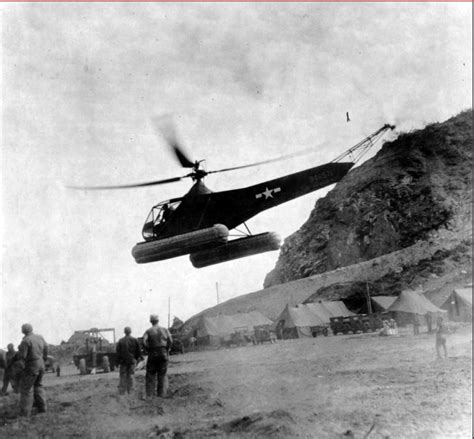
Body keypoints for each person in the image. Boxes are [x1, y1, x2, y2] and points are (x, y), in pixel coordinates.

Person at [18, 323, 48, 417]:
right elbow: (46, 347)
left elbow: (22, 356)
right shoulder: (40, 337)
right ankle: (42, 408)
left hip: (31, 365)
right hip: (41, 363)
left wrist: (21, 367)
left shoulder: (26, 341)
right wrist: (44, 358)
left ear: (23, 331)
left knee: (27, 389)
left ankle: (25, 413)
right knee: (38, 386)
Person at [143, 314, 172, 398]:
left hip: (152, 353)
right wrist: (167, 348)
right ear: (158, 320)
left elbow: (144, 341)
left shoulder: (148, 331)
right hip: (163, 352)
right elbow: (170, 340)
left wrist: (148, 349)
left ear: (150, 321)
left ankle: (150, 394)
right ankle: (162, 394)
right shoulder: (165, 330)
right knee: (162, 374)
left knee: (150, 374)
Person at [116, 326, 142, 395]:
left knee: (123, 376)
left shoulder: (121, 341)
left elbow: (118, 353)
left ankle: (122, 392)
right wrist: (136, 358)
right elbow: (138, 351)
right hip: (132, 361)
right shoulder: (135, 340)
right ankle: (131, 391)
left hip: (123, 361)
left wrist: (117, 362)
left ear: (124, 332)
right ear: (130, 332)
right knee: (131, 375)